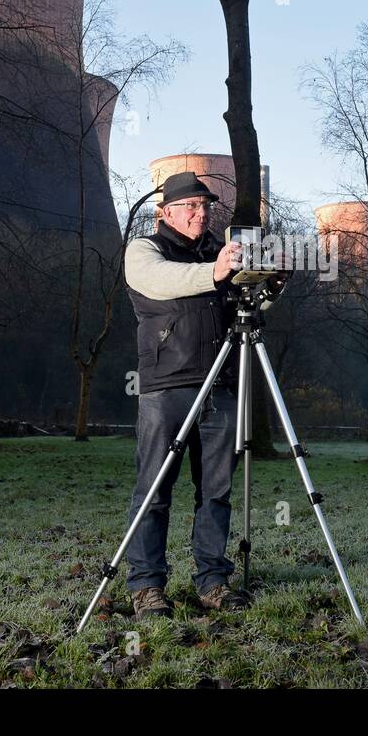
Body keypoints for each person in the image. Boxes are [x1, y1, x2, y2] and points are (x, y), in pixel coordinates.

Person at [121, 171, 249, 617]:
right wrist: (216, 271)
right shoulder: (144, 250)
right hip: (166, 386)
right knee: (154, 489)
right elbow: (163, 281)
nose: (202, 213)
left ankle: (213, 581)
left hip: (221, 383)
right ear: (166, 212)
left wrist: (268, 283)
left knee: (216, 489)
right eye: (192, 206)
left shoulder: (220, 252)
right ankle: (146, 586)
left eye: (206, 205)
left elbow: (247, 305)